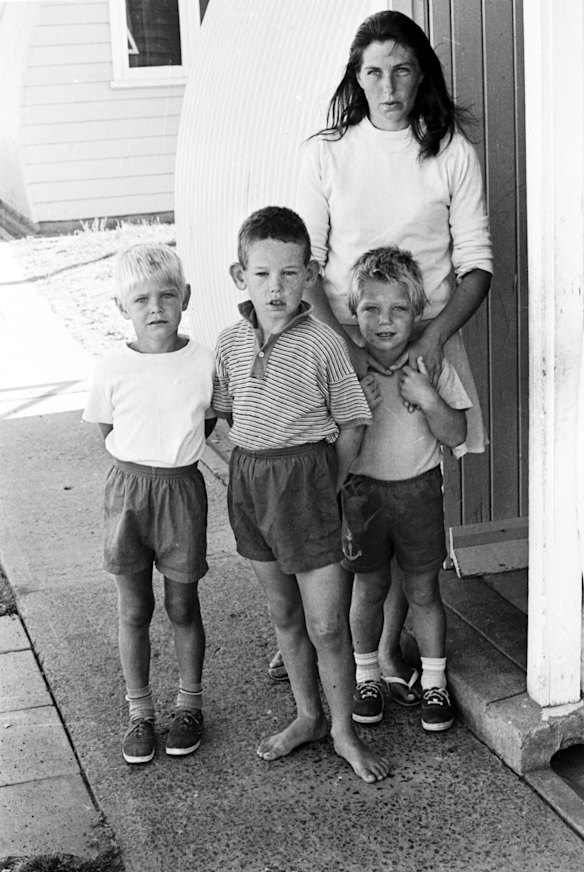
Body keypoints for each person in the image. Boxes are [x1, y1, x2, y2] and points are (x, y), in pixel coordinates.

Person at [293, 9, 493, 699]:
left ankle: (387, 649)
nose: (388, 84)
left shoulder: (449, 152)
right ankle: (349, 650)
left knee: (410, 499)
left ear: (421, 75)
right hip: (350, 349)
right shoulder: (327, 152)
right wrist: (345, 345)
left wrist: (434, 340)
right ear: (356, 75)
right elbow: (309, 264)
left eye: (403, 69)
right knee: (353, 492)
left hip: (422, 350)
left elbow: (477, 265)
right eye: (374, 70)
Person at [212, 206, 390, 784]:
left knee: (327, 625)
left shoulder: (323, 344)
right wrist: (243, 470)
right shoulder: (230, 343)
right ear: (240, 277)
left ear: (310, 273)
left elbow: (354, 423)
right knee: (284, 615)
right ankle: (308, 714)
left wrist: (326, 487)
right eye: (262, 274)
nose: (276, 287)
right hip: (253, 487)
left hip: (310, 489)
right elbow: (225, 413)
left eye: (290, 273)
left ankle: (343, 729)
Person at [83, 243, 216, 764]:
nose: (155, 307)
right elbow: (107, 428)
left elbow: (205, 422)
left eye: (166, 295)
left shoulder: (203, 360)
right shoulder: (112, 366)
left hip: (181, 490)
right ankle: (140, 712)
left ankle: (189, 704)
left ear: (186, 297)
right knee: (134, 606)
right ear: (122, 307)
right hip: (128, 493)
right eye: (140, 299)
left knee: (182, 605)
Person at [343, 245, 471, 731]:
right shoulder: (348, 368)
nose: (384, 320)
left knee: (423, 589)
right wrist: (355, 409)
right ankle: (367, 675)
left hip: (418, 492)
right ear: (354, 313)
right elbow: (330, 437)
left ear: (418, 312)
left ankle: (436, 682)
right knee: (369, 587)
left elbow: (457, 433)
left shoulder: (431, 365)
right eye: (371, 308)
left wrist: (428, 398)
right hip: (363, 493)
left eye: (398, 308)